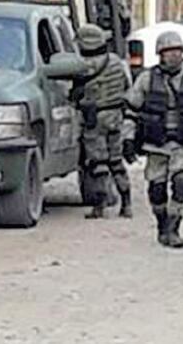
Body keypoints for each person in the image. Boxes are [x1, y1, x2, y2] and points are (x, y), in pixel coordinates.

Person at [124, 31, 183, 249]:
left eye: (177, 51)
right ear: (160, 54)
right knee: (157, 189)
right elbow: (131, 111)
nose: (174, 55)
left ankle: (174, 227)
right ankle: (162, 223)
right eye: (169, 51)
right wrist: (127, 139)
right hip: (156, 144)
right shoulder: (147, 79)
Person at [72, 24, 133, 219]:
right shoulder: (116, 62)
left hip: (94, 118)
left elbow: (75, 92)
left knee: (97, 163)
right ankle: (126, 203)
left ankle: (99, 205)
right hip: (115, 116)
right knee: (116, 161)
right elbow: (128, 87)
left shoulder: (82, 66)